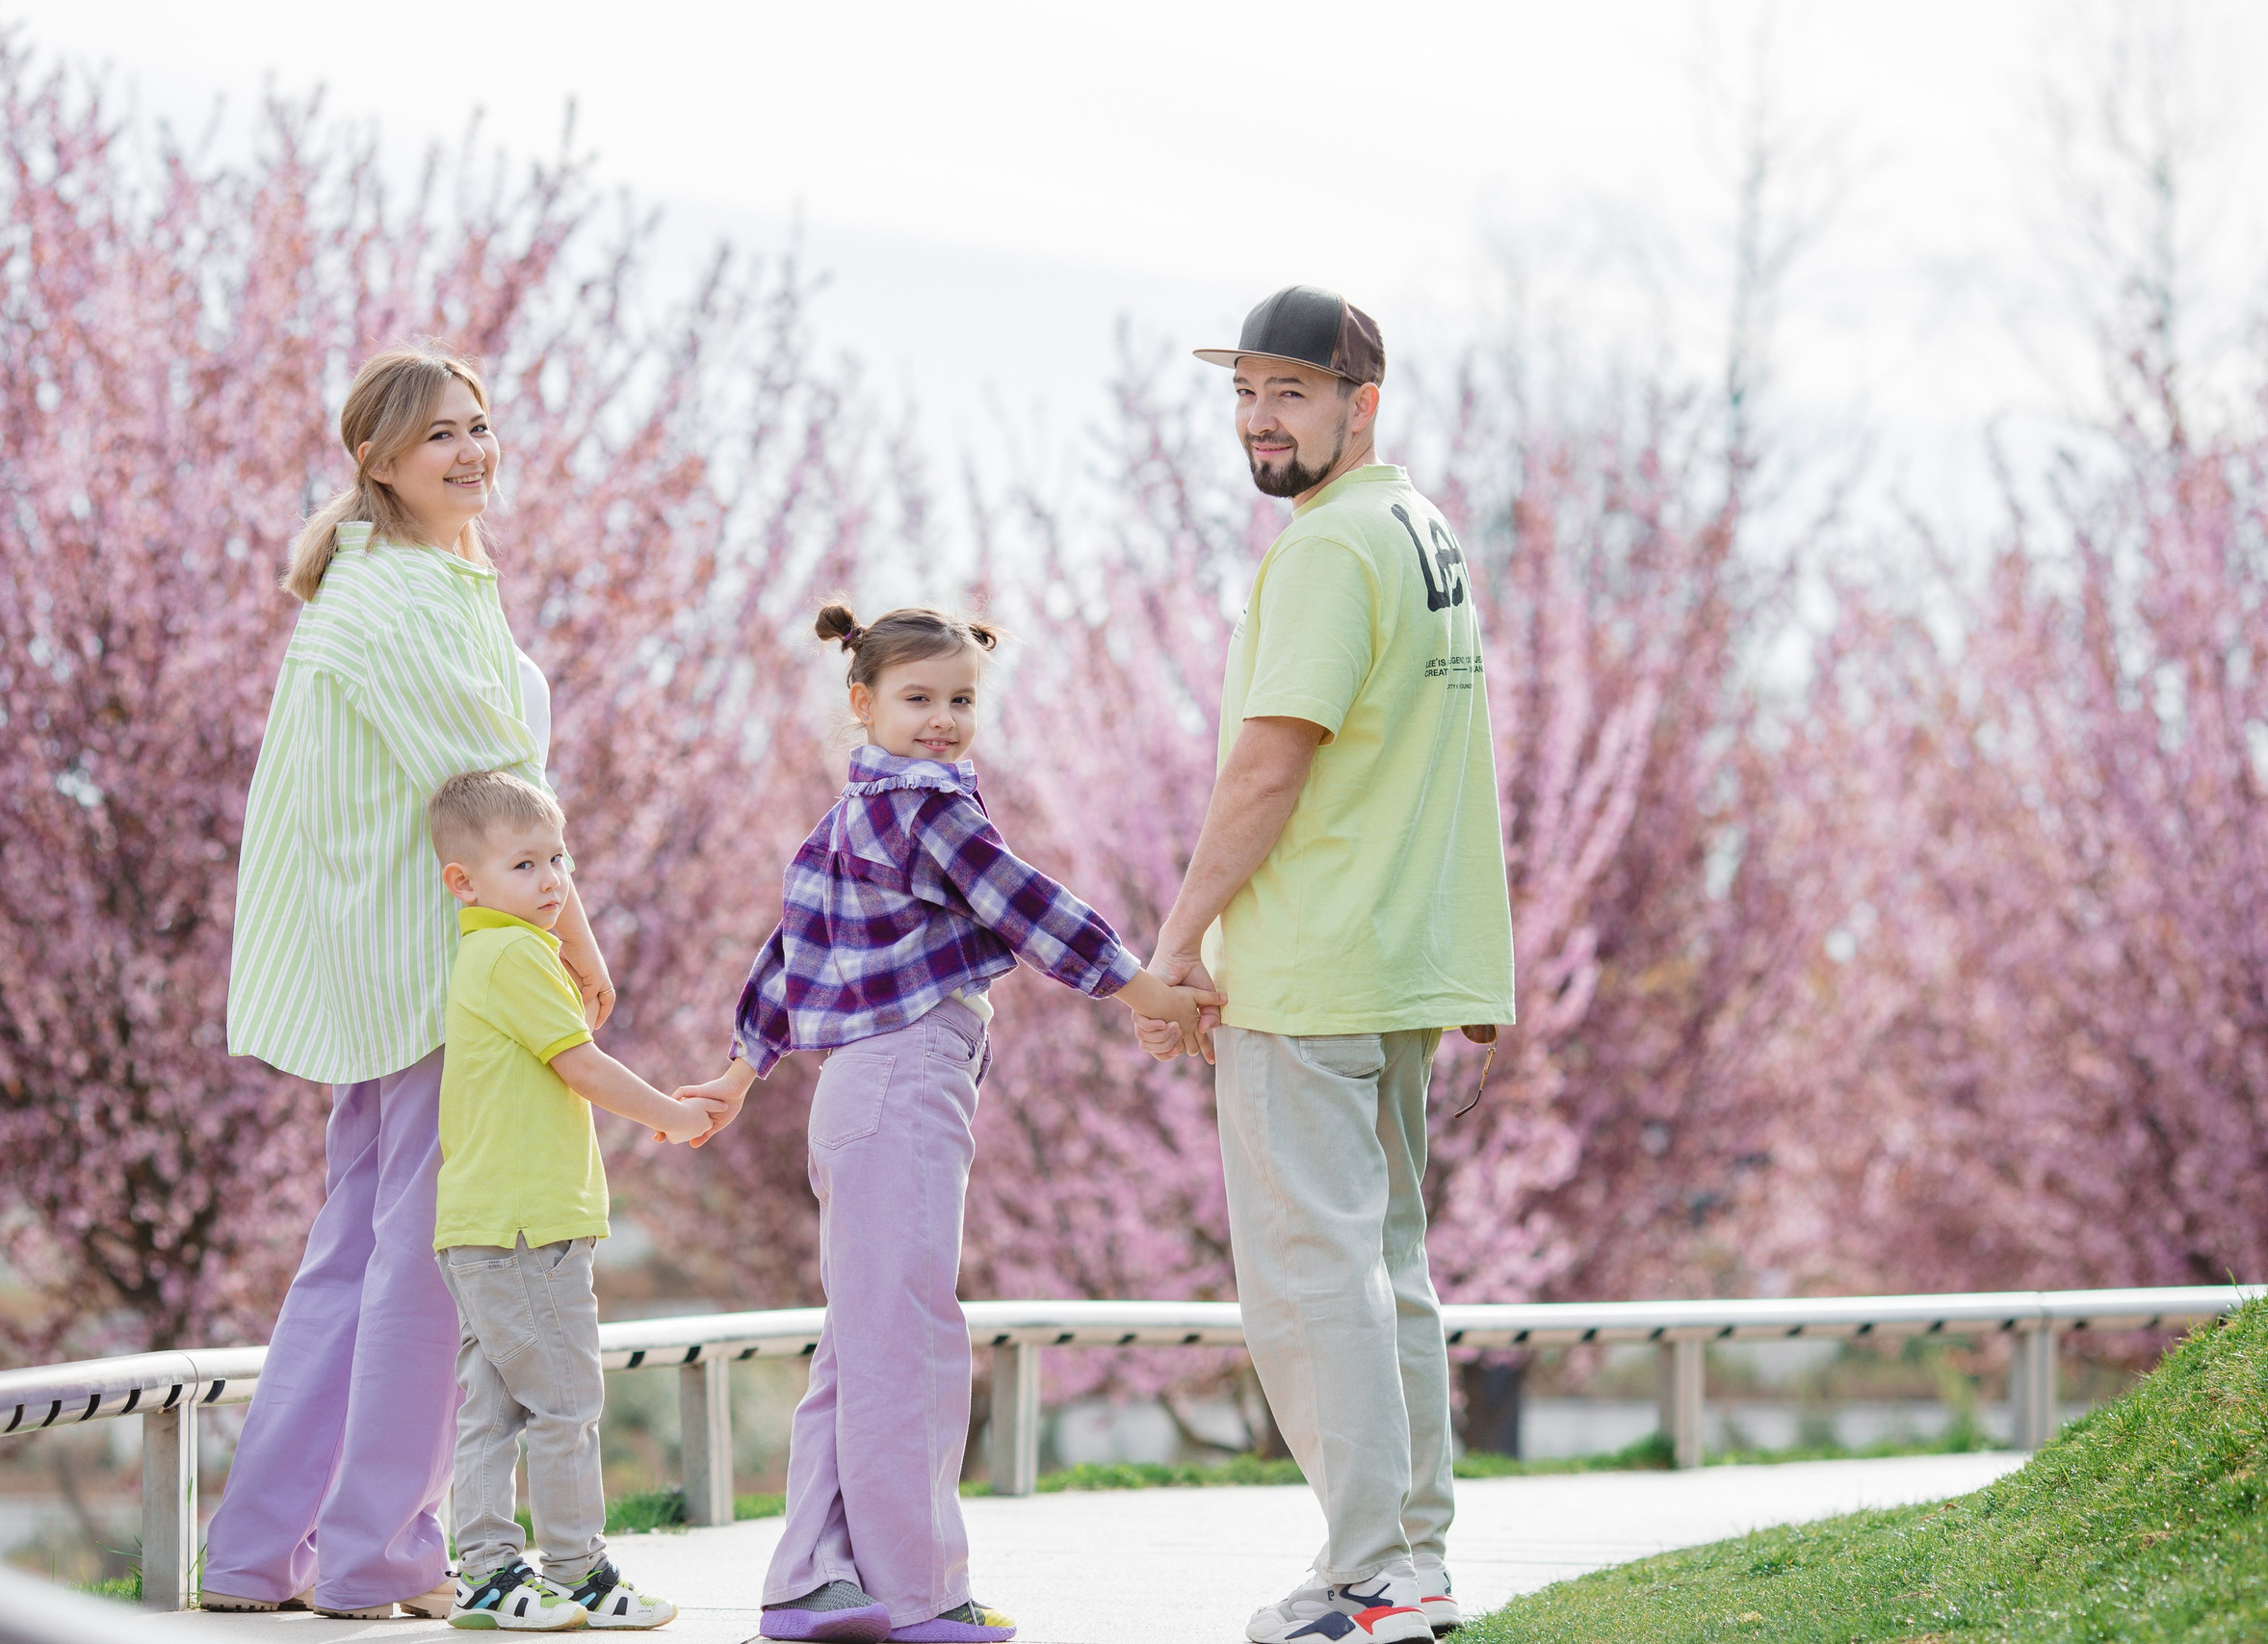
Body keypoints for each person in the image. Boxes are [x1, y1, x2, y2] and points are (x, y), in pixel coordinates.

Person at [672, 604, 1217, 1644]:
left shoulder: (840, 827)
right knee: (910, 1339)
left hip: (856, 1095)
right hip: (905, 1074)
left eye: (960, 701)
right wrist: (1143, 987)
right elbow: (1026, 903)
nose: (941, 722)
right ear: (861, 703)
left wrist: (745, 1071)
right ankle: (921, 1591)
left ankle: (809, 1580)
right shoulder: (928, 814)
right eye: (917, 700)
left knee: (864, 1337)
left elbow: (785, 959)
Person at [201, 347, 615, 1620]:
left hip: (392, 973)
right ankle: (378, 1553)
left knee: (353, 1259)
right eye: (442, 434)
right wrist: (578, 949)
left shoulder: (394, 578)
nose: (474, 450)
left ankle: (254, 1553)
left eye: (481, 425)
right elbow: (499, 809)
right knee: (429, 1264)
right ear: (377, 460)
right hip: (447, 980)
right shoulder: (403, 602)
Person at [1134, 287, 1516, 1642]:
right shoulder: (1426, 537)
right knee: (1384, 1269)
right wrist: (1470, 962)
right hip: (1396, 965)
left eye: (1289, 394)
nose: (1258, 419)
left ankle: (1376, 1571)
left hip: (1309, 973)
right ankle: (1405, 1556)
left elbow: (1268, 764)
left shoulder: (1328, 550)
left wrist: (1178, 943)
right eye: (1245, 392)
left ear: (1362, 404)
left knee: (1311, 1282)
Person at [426, 770, 715, 1631]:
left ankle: (483, 1573)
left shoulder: (484, 953)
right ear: (464, 881)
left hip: (479, 1227)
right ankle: (577, 1571)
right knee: (566, 1403)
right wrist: (672, 1114)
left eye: (559, 858)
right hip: (529, 1227)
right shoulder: (516, 954)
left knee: (494, 1406)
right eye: (526, 864)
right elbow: (580, 1063)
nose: (552, 880)